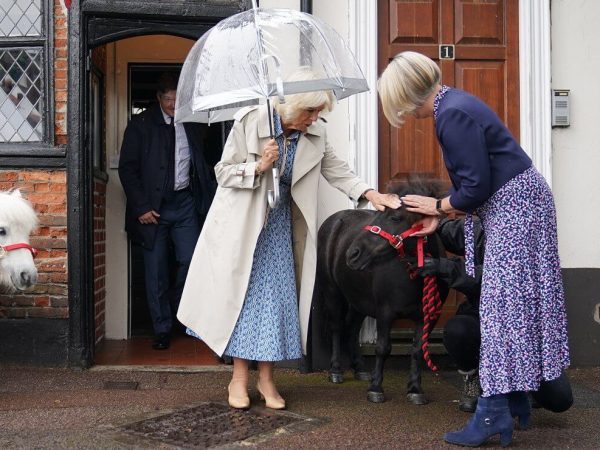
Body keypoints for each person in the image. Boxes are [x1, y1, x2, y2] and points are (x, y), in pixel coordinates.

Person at [177, 68, 401, 410]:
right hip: (245, 226)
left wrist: (370, 193)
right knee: (243, 301)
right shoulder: (251, 121)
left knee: (275, 303)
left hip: (282, 228)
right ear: (291, 105)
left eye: (318, 113)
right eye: (309, 111)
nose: (314, 118)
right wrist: (258, 166)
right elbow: (222, 171)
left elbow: (336, 169)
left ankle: (267, 379)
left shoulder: (315, 135)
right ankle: (238, 379)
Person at [378, 51, 570, 447]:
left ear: (405, 94)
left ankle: (494, 412)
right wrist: (444, 214)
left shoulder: (450, 114)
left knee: (502, 310)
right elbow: (476, 185)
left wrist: (438, 206)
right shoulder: (454, 104)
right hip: (519, 205)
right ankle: (516, 399)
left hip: (516, 208)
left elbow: (476, 188)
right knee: (516, 307)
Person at [412, 217, 573, 419]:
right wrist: (431, 221)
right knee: (458, 330)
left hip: (521, 322)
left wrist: (444, 268)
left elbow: (494, 278)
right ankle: (473, 377)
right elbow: (450, 231)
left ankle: (525, 382)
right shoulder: (479, 228)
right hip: (481, 313)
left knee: (560, 399)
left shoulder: (524, 234)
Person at [118, 72, 219, 351]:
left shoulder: (193, 123)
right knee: (156, 271)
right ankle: (162, 329)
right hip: (152, 209)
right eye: (168, 99)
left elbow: (205, 161)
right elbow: (127, 168)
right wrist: (141, 207)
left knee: (191, 263)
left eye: (178, 99)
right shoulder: (140, 124)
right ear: (158, 98)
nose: (174, 104)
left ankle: (181, 313)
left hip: (185, 204)